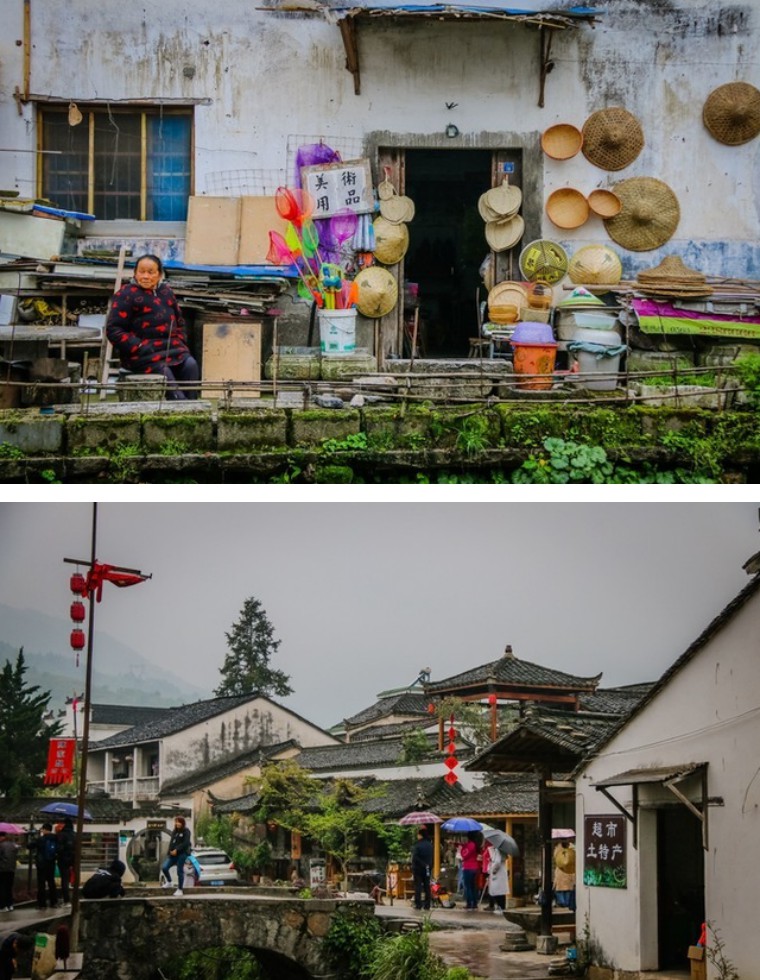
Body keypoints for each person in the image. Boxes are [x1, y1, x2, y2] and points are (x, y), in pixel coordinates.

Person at [105, 253, 199, 400]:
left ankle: (193, 405)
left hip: (172, 348)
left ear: (159, 274)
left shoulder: (166, 292)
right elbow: (114, 330)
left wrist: (181, 342)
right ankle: (184, 409)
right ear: (135, 273)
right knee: (166, 376)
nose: (145, 276)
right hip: (143, 353)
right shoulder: (126, 294)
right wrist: (139, 346)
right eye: (141, 272)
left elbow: (180, 322)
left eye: (151, 272)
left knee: (190, 365)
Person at [160, 816, 192, 896]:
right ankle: (169, 882)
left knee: (179, 871)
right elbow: (171, 842)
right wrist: (170, 851)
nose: (177, 823)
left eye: (179, 822)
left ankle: (180, 889)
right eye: (176, 822)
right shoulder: (175, 831)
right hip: (173, 854)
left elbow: (186, 843)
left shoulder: (186, 831)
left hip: (182, 854)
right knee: (165, 867)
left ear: (182, 823)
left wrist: (177, 850)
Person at [33, 823, 58, 910]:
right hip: (51, 863)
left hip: (42, 864)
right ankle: (54, 902)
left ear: (44, 829)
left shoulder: (41, 839)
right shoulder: (56, 838)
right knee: (51, 883)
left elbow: (29, 846)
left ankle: (42, 904)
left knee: (41, 884)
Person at [55, 817, 76, 906]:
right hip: (74, 859)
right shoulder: (75, 834)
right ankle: (74, 899)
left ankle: (66, 900)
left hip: (63, 859)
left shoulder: (61, 835)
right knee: (74, 879)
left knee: (65, 880)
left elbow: (58, 848)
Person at [410, 829, 433, 911]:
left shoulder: (418, 845)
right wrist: (428, 866)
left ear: (420, 835)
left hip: (418, 869)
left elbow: (415, 857)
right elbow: (431, 857)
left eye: (418, 834)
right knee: (427, 886)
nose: (417, 836)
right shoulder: (430, 845)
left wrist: (419, 864)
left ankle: (418, 904)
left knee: (418, 886)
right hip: (427, 869)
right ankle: (427, 905)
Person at [553, 838, 577, 912]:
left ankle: (565, 904)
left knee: (565, 892)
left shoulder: (558, 849)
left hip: (568, 872)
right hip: (565, 872)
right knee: (565, 891)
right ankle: (566, 904)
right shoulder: (561, 849)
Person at [459, 831, 481, 911]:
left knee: (468, 886)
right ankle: (474, 903)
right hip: (474, 867)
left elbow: (464, 855)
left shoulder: (470, 845)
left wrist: (461, 849)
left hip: (468, 867)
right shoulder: (475, 844)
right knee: (473, 886)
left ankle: (469, 903)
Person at [486, 844, 509, 913]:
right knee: (501, 891)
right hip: (501, 873)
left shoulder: (497, 851)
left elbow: (497, 862)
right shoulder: (502, 850)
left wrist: (493, 870)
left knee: (497, 891)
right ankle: (501, 907)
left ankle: (500, 907)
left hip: (497, 873)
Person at [0, 832, 19, 912]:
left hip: (2, 869)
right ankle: (10, 905)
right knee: (9, 887)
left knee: (2, 887)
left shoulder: (1, 845)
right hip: (11, 869)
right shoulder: (13, 845)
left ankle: (3, 906)